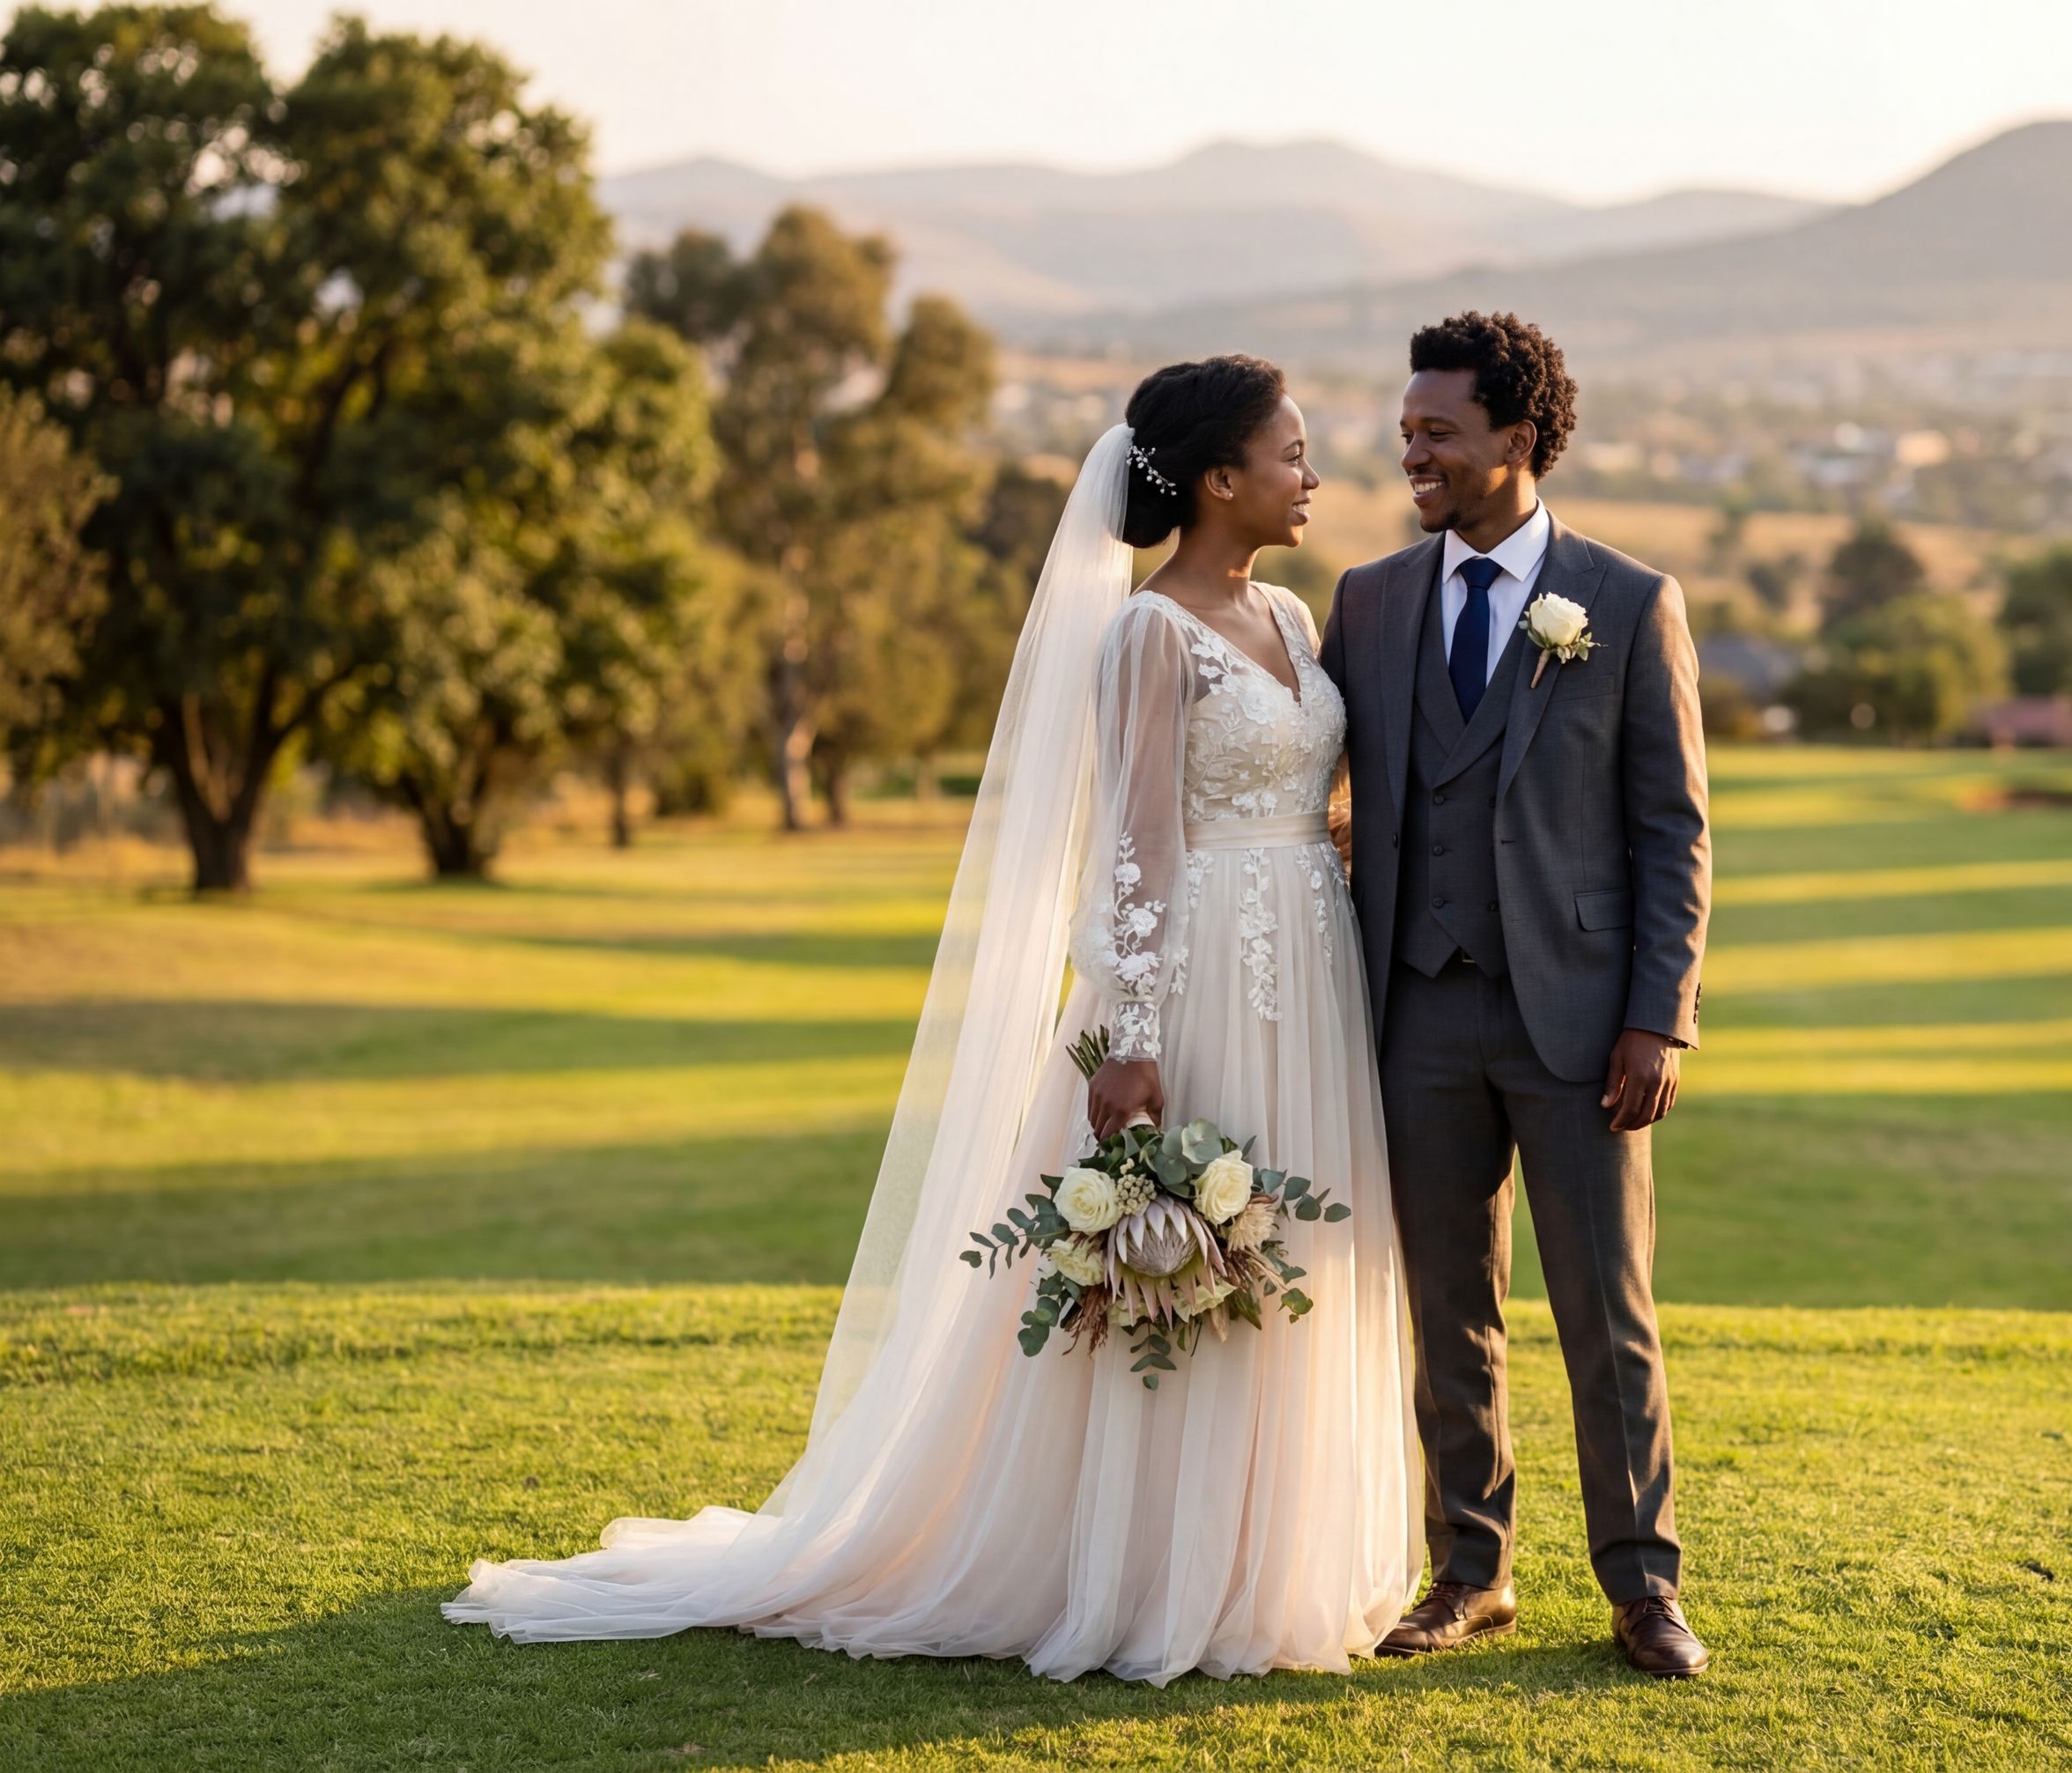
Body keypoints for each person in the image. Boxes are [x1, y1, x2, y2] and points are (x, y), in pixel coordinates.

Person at [444, 356, 1420, 1685]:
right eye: (1293, 453)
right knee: (1189, 1263)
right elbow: (1139, 840)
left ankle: (1269, 1559)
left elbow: (1309, 796)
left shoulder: (1298, 622)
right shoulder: (1149, 633)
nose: (1314, 475)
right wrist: (1131, 1031)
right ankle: (1155, 1574)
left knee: (1291, 1252)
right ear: (1217, 479)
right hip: (1198, 990)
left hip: (1306, 973)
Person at [1319, 311, 1714, 1678]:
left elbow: (1675, 831)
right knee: (1450, 1311)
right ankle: (1469, 1571)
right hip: (1414, 1014)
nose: (1410, 450)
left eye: (1438, 431)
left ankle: (1642, 1588)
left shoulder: (1629, 600)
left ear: (1517, 440)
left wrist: (1661, 1012)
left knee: (1606, 1313)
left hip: (1583, 1023)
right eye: (1408, 427)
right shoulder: (1367, 598)